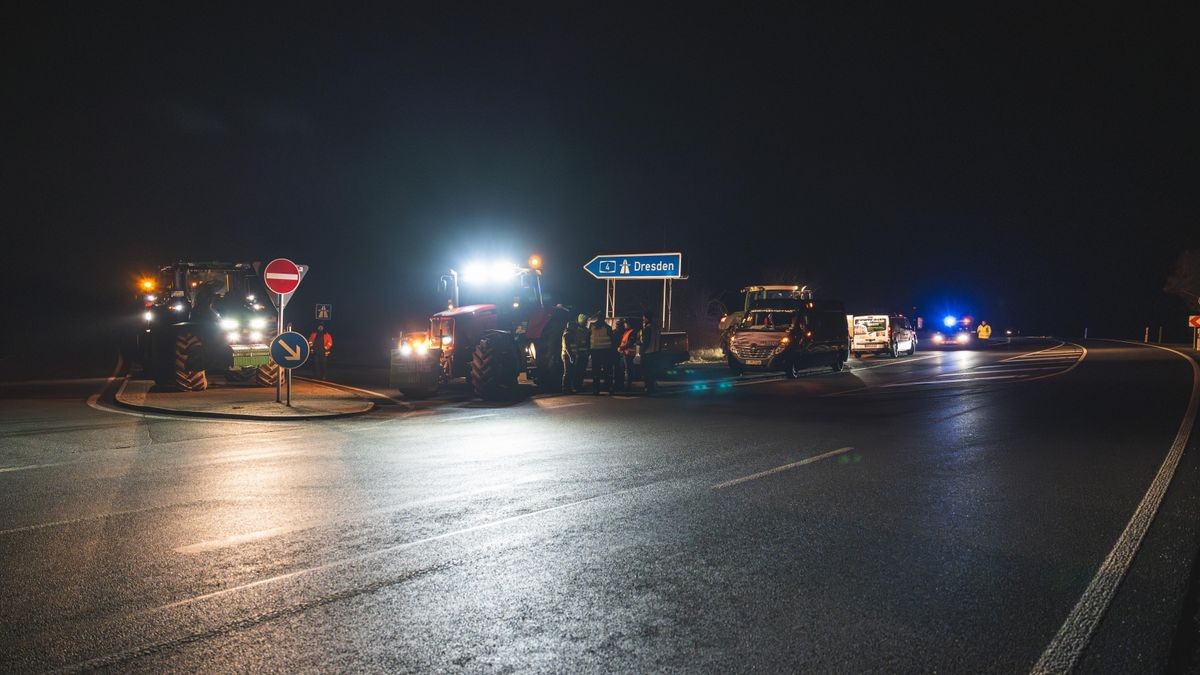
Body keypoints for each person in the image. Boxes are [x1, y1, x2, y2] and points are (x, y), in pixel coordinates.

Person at [561, 313, 590, 394]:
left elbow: (575, 345)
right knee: (567, 372)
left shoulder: (572, 333)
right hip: (568, 355)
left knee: (570, 372)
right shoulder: (567, 334)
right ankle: (566, 389)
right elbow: (567, 347)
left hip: (572, 355)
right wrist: (571, 356)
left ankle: (569, 388)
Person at [588, 315, 616, 394]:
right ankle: (609, 387)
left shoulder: (592, 327)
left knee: (596, 371)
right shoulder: (608, 328)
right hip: (606, 352)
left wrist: (589, 350)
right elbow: (613, 340)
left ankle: (596, 389)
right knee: (607, 371)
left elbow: (588, 339)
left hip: (595, 352)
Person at [638, 312, 661, 393]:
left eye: (644, 318)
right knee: (653, 371)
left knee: (646, 371)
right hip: (655, 352)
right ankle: (653, 386)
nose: (643, 320)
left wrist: (641, 351)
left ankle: (648, 387)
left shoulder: (647, 328)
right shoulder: (656, 327)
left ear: (647, 318)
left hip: (648, 353)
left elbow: (646, 342)